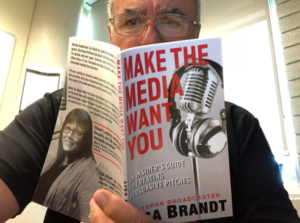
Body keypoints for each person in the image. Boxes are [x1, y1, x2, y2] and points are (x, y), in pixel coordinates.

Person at [0, 0, 299, 223]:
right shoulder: (59, 113)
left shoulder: (240, 128)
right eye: (131, 21)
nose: (149, 39)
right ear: (111, 34)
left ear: (195, 35)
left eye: (170, 20)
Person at [33, 108, 101, 223]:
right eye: (68, 129)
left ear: (86, 139)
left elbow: (90, 219)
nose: (69, 135)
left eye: (77, 133)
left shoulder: (88, 173)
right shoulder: (57, 161)